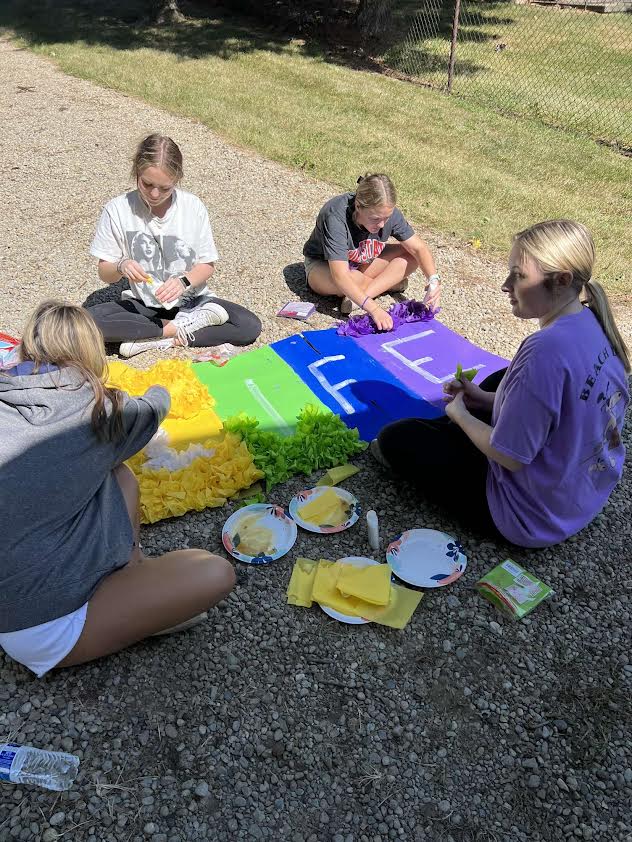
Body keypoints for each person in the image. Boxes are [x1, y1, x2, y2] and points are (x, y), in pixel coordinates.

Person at [0, 301, 235, 677]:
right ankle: (135, 603)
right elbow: (155, 404)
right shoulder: (98, 409)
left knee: (119, 474)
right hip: (43, 630)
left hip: (14, 596)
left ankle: (131, 575)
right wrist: (163, 380)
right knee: (215, 572)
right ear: (92, 353)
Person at [371, 220, 630, 548]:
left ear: (562, 280)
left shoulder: (545, 350)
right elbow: (563, 412)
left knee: (398, 438)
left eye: (519, 276)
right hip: (578, 491)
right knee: (498, 380)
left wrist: (460, 415)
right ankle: (459, 426)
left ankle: (450, 430)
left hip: (530, 516)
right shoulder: (591, 318)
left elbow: (511, 457)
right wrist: (482, 399)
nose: (506, 285)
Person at [87, 133, 261, 358]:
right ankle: (172, 330)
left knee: (248, 325)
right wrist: (121, 265)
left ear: (177, 179)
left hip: (192, 302)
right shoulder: (117, 209)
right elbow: (105, 273)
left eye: (165, 188)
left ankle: (150, 339)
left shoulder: (192, 206)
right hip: (143, 304)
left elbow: (207, 265)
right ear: (136, 172)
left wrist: (183, 282)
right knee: (86, 322)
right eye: (147, 184)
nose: (154, 194)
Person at [303, 173, 441, 331]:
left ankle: (358, 296)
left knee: (412, 255)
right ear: (358, 206)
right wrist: (374, 309)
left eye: (387, 218)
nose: (382, 225)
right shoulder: (335, 215)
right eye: (375, 219)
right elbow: (340, 275)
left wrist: (434, 281)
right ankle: (388, 284)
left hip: (362, 261)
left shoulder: (386, 211)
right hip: (323, 266)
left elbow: (419, 248)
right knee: (351, 278)